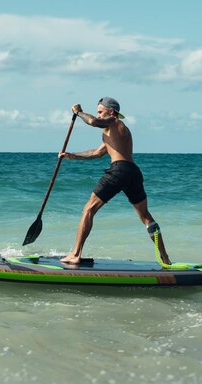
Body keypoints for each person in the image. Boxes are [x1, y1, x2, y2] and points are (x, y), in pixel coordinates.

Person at [59, 97, 172, 265]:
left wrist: (78, 112)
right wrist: (71, 156)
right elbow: (96, 153)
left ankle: (75, 254)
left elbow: (93, 121)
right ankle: (165, 258)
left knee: (88, 209)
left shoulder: (112, 121)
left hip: (119, 170)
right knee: (146, 216)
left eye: (100, 111)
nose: (98, 114)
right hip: (133, 172)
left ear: (111, 112)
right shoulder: (116, 132)